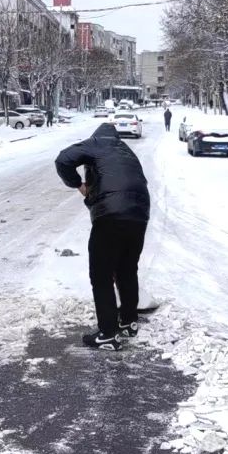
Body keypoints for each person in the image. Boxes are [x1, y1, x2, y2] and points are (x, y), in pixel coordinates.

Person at [55, 123, 150, 351]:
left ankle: (108, 333)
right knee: (127, 269)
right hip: (139, 213)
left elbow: (63, 159)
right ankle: (128, 322)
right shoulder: (125, 150)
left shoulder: (96, 144)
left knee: (101, 274)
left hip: (110, 214)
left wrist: (79, 184)